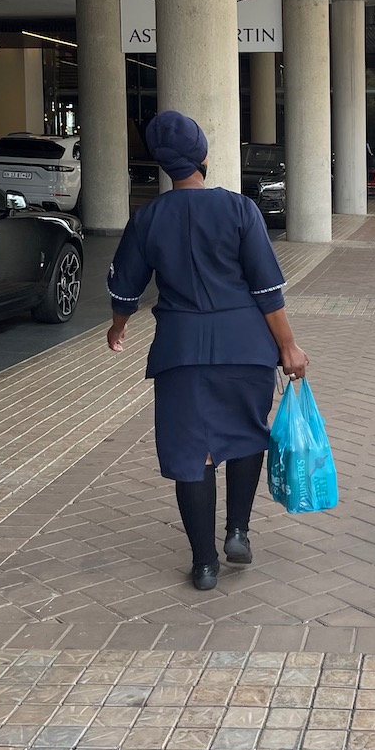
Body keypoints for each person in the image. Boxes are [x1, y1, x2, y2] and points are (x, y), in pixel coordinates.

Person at [106, 111, 309, 591]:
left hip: (182, 352)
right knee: (245, 435)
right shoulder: (240, 210)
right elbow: (267, 292)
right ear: (204, 157)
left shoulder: (148, 218)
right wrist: (289, 346)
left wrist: (118, 329)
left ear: (161, 164)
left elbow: (126, 291)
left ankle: (204, 564)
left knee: (193, 453)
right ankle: (237, 530)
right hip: (246, 347)